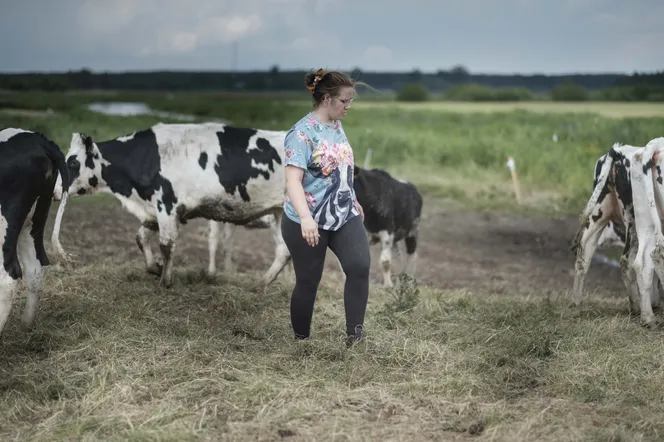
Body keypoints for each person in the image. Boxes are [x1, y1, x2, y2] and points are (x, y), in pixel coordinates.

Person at [281, 68, 371, 347]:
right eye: (345, 101)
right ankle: (301, 342)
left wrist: (352, 199)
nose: (349, 107)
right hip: (307, 220)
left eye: (350, 101)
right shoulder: (300, 134)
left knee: (359, 266)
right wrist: (307, 219)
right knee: (309, 282)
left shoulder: (335, 125)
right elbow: (293, 181)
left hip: (343, 213)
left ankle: (355, 337)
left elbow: (341, 166)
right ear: (327, 99)